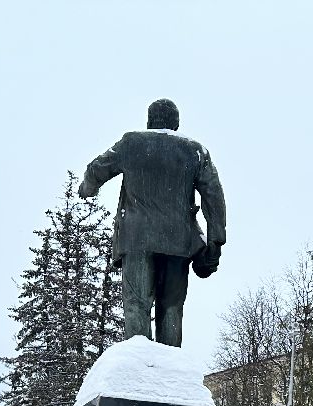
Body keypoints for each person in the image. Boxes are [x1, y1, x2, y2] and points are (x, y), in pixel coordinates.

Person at [79, 98, 227, 347]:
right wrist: (216, 238)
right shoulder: (194, 151)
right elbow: (214, 194)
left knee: (137, 304)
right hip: (179, 241)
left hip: (137, 238)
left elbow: (97, 168)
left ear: (149, 121)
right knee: (171, 308)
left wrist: (87, 187)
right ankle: (170, 367)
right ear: (176, 123)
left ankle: (139, 365)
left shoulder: (132, 144)